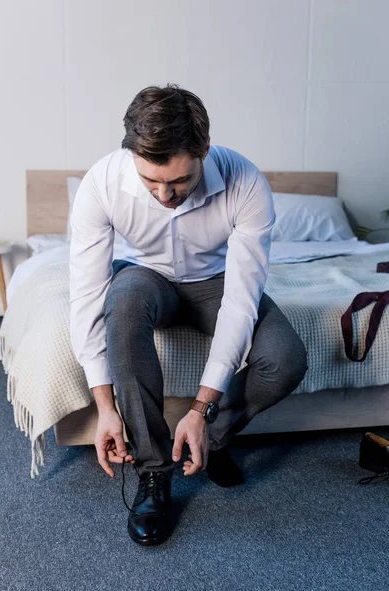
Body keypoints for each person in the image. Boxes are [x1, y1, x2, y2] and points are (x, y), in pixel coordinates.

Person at [69, 83, 308, 546]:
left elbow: (241, 300)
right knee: (122, 300)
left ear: (203, 150)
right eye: (150, 181)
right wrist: (104, 406)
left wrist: (201, 408)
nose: (163, 195)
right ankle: (155, 470)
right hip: (146, 276)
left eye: (177, 182)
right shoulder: (102, 183)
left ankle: (209, 439)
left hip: (216, 283)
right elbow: (86, 294)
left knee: (286, 359)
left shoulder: (246, 182)